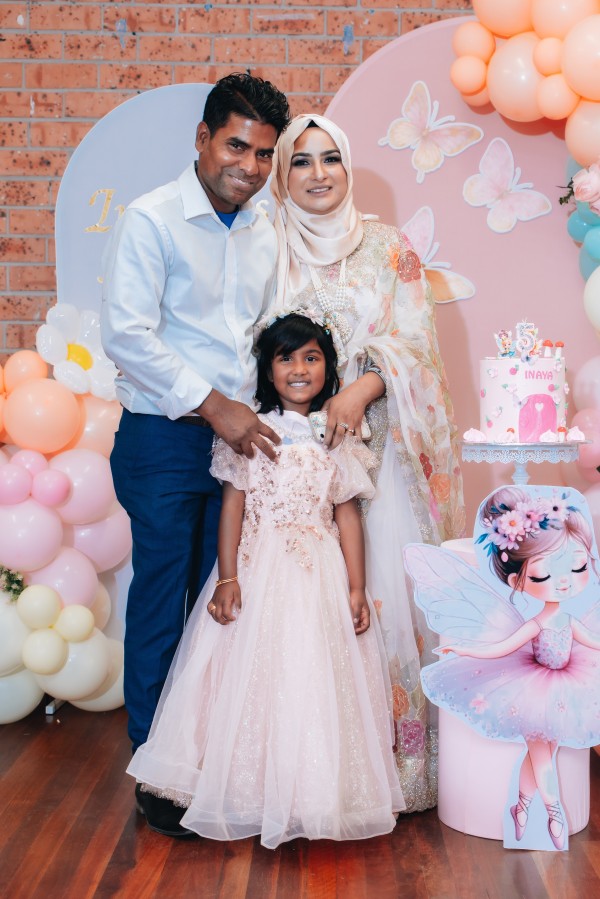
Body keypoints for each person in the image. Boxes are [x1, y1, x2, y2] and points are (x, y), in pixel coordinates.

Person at [127, 312, 404, 847]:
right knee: (246, 670)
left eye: (311, 358)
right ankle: (242, 785)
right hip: (258, 565)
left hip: (318, 570)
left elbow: (347, 515)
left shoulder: (337, 435)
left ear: (328, 367)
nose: (299, 369)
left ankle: (310, 792)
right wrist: (227, 577)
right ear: (267, 369)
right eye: (286, 358)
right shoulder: (249, 428)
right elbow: (233, 506)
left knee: (311, 673)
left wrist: (355, 586)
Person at [100, 73, 291, 836]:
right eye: (236, 146)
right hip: (166, 436)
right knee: (163, 598)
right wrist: (216, 407)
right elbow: (127, 335)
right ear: (204, 138)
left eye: (264, 154)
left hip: (241, 442)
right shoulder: (151, 220)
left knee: (227, 597)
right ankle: (157, 769)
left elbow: (263, 337)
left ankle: (213, 758)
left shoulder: (265, 229)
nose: (249, 166)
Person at [269, 114, 465, 811]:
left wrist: (362, 385)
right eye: (301, 161)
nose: (318, 174)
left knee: (380, 603)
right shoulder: (266, 247)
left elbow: (418, 343)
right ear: (281, 174)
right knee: (305, 608)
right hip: (297, 462)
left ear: (348, 168)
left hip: (382, 458)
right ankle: (322, 773)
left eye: (331, 158)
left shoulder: (388, 247)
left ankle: (398, 772)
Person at [408, 486, 600, 851]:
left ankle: (521, 807)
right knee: (542, 756)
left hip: (568, 684)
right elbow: (502, 648)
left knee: (543, 752)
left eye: (577, 567)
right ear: (517, 581)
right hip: (530, 688)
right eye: (542, 576)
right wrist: (462, 648)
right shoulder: (536, 624)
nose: (563, 581)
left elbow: (592, 640)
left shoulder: (570, 620)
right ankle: (554, 812)